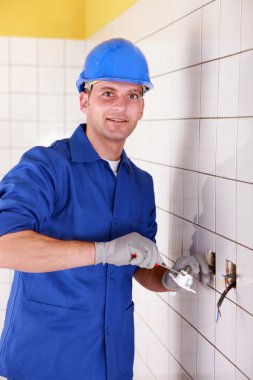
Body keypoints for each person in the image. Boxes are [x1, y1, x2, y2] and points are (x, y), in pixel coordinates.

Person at [0, 38, 209, 380]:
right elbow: (4, 245)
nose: (120, 107)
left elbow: (139, 265)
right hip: (43, 363)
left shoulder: (140, 184)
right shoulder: (45, 167)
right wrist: (102, 251)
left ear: (142, 107)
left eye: (133, 96)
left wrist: (169, 278)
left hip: (111, 365)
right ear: (85, 99)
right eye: (108, 93)